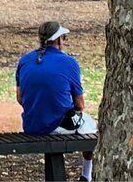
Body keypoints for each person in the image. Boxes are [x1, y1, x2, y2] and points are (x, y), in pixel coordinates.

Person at [15, 21, 96, 182]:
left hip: (31, 125)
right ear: (59, 40)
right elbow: (80, 105)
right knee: (91, 127)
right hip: (56, 126)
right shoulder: (69, 62)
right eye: (64, 38)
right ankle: (87, 176)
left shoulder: (24, 61)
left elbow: (20, 98)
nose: (64, 41)